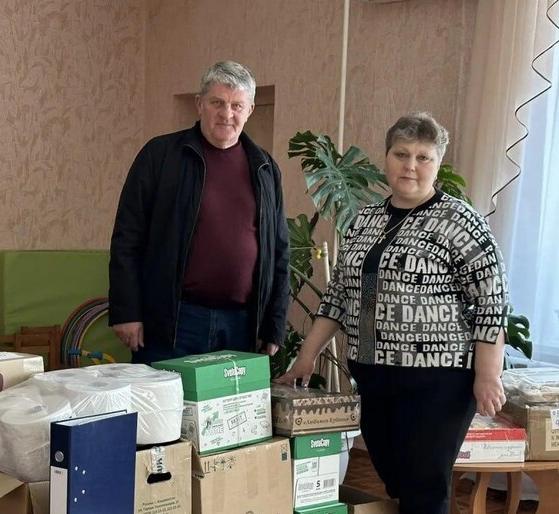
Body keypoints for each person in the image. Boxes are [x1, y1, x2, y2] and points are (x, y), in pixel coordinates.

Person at [276, 112, 509, 514]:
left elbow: (492, 301)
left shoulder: (460, 221)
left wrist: (488, 374)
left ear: (437, 163)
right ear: (386, 157)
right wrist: (306, 357)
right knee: (396, 478)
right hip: (374, 375)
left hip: (439, 381)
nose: (410, 165)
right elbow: (339, 295)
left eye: (423, 157)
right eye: (401, 154)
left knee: (424, 485)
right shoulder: (365, 220)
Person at [108, 60, 290, 365]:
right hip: (172, 322)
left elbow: (279, 252)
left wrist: (275, 324)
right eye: (217, 102)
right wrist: (126, 311)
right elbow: (127, 238)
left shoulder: (265, 168)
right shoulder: (160, 155)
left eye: (236, 105)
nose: (227, 113)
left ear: (249, 110)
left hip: (241, 326)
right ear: (199, 104)